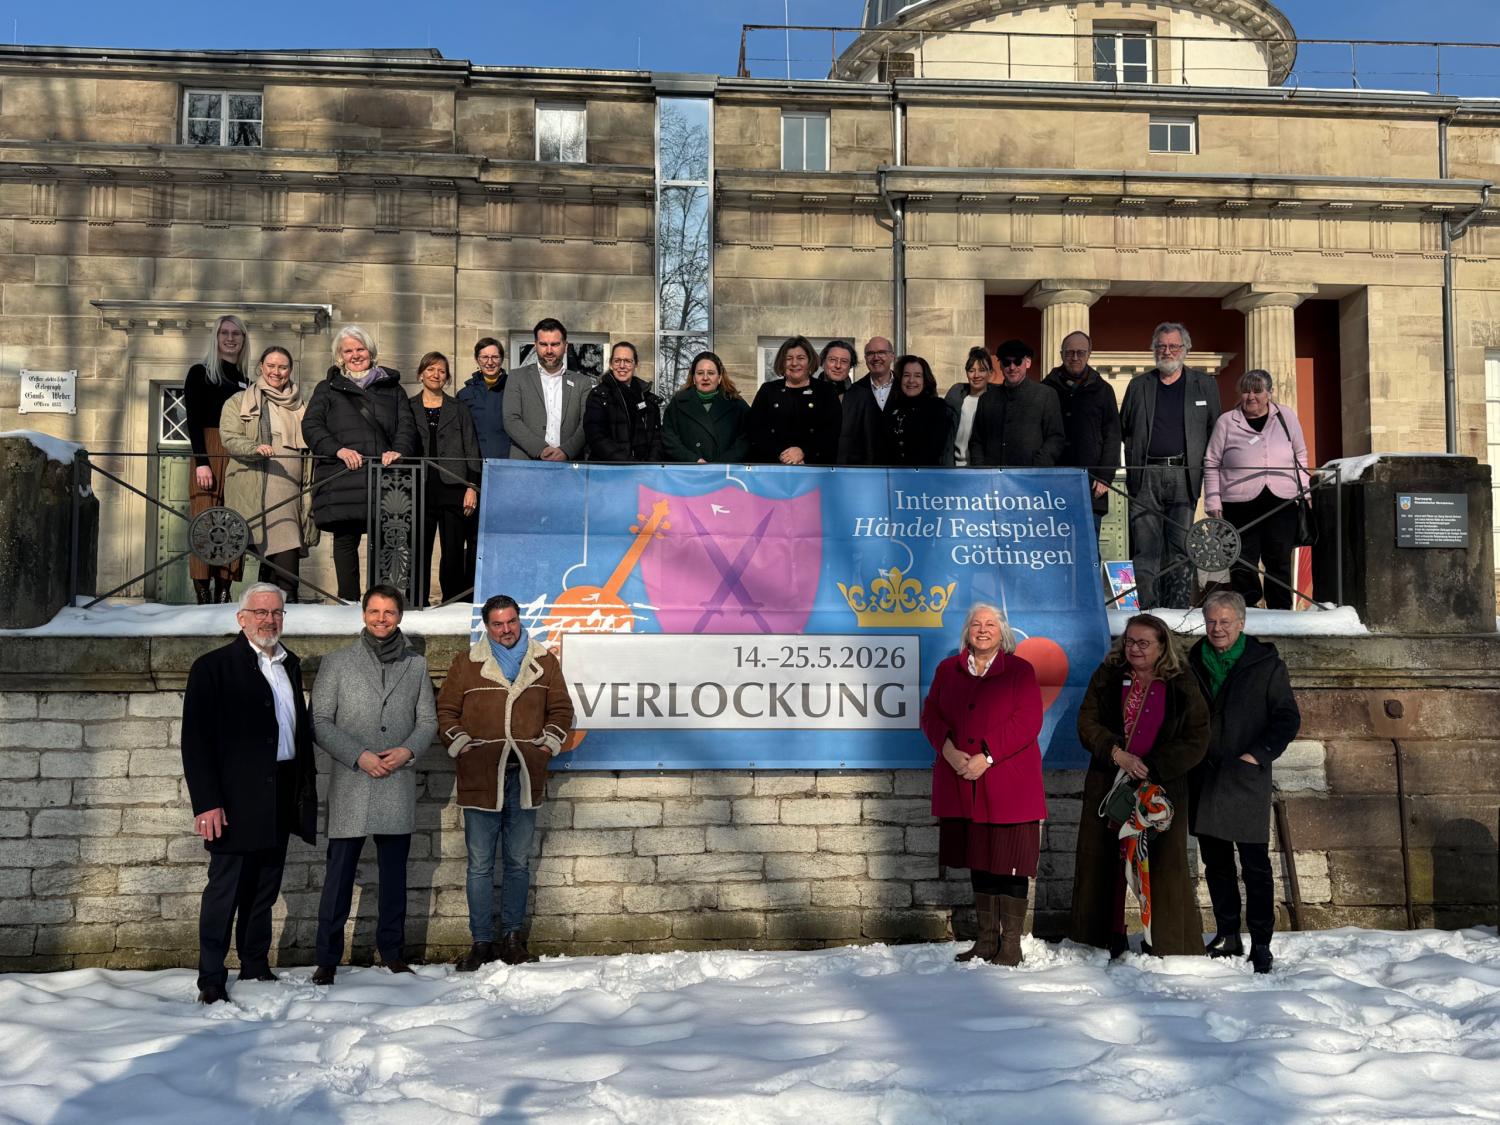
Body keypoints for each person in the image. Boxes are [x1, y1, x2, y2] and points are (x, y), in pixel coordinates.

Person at [181, 583, 317, 1004]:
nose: (269, 620)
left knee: (264, 886)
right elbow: (195, 742)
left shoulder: (289, 664)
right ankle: (211, 976)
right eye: (260, 612)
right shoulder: (213, 667)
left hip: (280, 790)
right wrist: (207, 802)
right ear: (242, 618)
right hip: (234, 798)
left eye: (276, 612)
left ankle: (255, 963)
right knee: (225, 889)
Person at [437, 594, 575, 969]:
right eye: (497, 624)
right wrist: (462, 745)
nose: (506, 629)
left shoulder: (544, 662)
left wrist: (546, 744)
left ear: (519, 620)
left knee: (517, 862)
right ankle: (481, 942)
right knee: (480, 865)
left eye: (511, 621)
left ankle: (514, 940)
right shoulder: (466, 663)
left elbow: (562, 709)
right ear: (487, 626)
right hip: (481, 774)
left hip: (526, 775)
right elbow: (446, 710)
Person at [310, 584, 438, 985]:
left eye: (389, 612)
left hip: (396, 780)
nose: (382, 619)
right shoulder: (336, 663)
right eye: (374, 611)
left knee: (394, 878)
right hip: (352, 780)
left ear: (399, 617)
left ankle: (393, 953)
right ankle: (327, 958)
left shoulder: (416, 666)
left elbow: (428, 721)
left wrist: (407, 750)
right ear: (363, 614)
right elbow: (319, 722)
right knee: (338, 877)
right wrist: (358, 755)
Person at [1069, 613, 1210, 958]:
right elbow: (1087, 722)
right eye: (1130, 641)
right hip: (1110, 783)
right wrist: (1116, 753)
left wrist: (1155, 766)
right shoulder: (1107, 675)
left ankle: (1170, 947)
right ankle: (1100, 941)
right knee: (1103, 862)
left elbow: (1197, 736)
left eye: (1144, 643)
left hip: (1160, 789)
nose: (1134, 648)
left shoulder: (1181, 682)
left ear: (1162, 646)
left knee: (1163, 866)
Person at [921, 604, 1046, 966]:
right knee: (980, 859)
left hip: (1008, 783)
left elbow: (1028, 720)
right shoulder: (948, 670)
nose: (983, 629)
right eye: (976, 624)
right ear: (967, 632)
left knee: (1010, 862)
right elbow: (930, 715)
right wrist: (947, 750)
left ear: (1002, 632)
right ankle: (986, 941)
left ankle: (1011, 945)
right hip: (963, 781)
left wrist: (987, 757)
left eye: (991, 623)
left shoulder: (1020, 671)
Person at [1187, 590, 1301, 973]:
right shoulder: (1191, 662)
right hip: (1205, 776)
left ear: (1241, 623)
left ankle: (1261, 942)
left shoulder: (1266, 664)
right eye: (1211, 622)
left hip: (1246, 778)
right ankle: (1227, 935)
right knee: (1216, 864)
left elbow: (1287, 718)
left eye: (1225, 622)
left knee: (1255, 867)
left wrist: (1258, 754)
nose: (1217, 628)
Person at [301, 325, 420, 601]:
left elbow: (407, 426)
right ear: (340, 356)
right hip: (342, 475)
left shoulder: (393, 388)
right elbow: (311, 425)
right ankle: (349, 603)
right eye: (348, 351)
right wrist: (338, 450)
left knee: (385, 542)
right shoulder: (327, 388)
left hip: (385, 477)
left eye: (360, 349)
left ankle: (382, 606)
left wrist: (399, 451)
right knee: (345, 540)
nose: (355, 355)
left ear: (370, 351)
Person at [1121, 322, 1222, 609]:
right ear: (1154, 349)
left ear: (1185, 349)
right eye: (1161, 346)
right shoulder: (1138, 385)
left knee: (1181, 549)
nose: (1167, 351)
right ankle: (1150, 612)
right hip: (1145, 475)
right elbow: (1124, 427)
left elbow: (1216, 431)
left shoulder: (1205, 385)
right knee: (1146, 551)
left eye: (1173, 346)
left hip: (1184, 475)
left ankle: (1176, 612)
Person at [1204, 369, 1312, 610]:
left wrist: (1305, 491)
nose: (1250, 396)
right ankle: (1247, 610)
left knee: (1279, 559)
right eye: (1245, 391)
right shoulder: (1227, 421)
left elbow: (1300, 454)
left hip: (1282, 500)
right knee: (1243, 560)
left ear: (1269, 393)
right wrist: (1213, 500)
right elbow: (1211, 462)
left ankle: (1280, 611)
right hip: (1238, 503)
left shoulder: (1286, 416)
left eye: (1257, 391)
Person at [219, 346, 318, 604]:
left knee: (281, 542)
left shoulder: (302, 404)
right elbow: (229, 437)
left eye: (283, 367)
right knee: (277, 540)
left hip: (293, 485)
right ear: (261, 367)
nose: (276, 372)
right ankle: (284, 601)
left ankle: (277, 604)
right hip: (256, 479)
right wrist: (253, 448)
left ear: (290, 370)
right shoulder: (239, 401)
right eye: (271, 366)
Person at [184, 315, 251, 603]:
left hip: (237, 452)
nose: (230, 338)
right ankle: (202, 593)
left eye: (236, 333)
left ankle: (225, 591)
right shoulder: (200, 373)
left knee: (234, 521)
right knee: (204, 520)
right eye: (224, 332)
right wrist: (202, 461)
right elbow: (193, 420)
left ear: (244, 340)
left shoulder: (247, 381)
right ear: (216, 337)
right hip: (208, 449)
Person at [409, 351, 481, 606]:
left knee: (453, 551)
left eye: (441, 371)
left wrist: (472, 487)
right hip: (420, 488)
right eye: (430, 369)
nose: (436, 375)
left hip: (454, 487)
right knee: (419, 548)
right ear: (421, 374)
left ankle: (452, 604)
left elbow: (472, 449)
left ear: (447, 377)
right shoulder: (408, 407)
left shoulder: (459, 408)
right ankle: (416, 602)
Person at [1041, 331, 1122, 540]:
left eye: (1080, 352)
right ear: (1061, 354)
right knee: (1053, 546)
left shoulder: (1103, 390)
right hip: (1052, 483)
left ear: (1089, 354)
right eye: (1069, 353)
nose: (1075, 357)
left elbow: (1112, 436)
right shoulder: (1045, 389)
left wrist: (1105, 476)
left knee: (1088, 547)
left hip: (1091, 483)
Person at [748, 336, 843, 466]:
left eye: (800, 358)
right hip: (773, 464)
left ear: (810, 361)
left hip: (814, 467)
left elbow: (832, 428)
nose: (794, 363)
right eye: (789, 358)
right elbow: (755, 427)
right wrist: (783, 455)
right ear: (782, 363)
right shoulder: (768, 390)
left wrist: (803, 451)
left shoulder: (825, 390)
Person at [969, 339, 1065, 467]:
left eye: (1017, 362)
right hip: (992, 475)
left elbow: (1055, 437)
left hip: (1031, 474)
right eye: (1006, 362)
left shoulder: (1046, 395)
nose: (1012, 367)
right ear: (1001, 366)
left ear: (1028, 362)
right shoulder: (986, 400)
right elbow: (977, 441)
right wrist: (981, 468)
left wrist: (1038, 467)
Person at [503, 318, 588, 461]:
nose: (549, 351)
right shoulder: (517, 377)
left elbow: (587, 423)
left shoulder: (582, 382)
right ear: (535, 345)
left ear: (565, 346)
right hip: (526, 462)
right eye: (543, 344)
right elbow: (511, 420)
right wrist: (540, 449)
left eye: (555, 344)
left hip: (569, 464)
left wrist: (566, 451)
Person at [661, 351, 752, 463]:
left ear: (719, 377)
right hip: (688, 470)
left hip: (727, 470)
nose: (705, 378)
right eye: (700, 373)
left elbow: (745, 439)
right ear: (693, 377)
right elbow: (669, 438)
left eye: (711, 373)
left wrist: (721, 464)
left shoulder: (737, 404)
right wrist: (693, 460)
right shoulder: (678, 403)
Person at [583, 341, 665, 461]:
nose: (622, 366)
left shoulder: (648, 400)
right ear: (611, 364)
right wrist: (630, 464)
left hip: (645, 470)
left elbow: (657, 439)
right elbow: (597, 438)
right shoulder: (599, 396)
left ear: (636, 365)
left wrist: (650, 465)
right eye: (617, 361)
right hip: (609, 469)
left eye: (628, 361)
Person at [836, 335, 898, 464]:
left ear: (892, 356)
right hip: (864, 468)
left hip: (901, 468)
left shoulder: (905, 388)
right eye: (870, 354)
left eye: (881, 352)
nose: (876, 358)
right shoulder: (854, 392)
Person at [885, 355, 954, 467]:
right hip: (894, 474)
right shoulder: (892, 407)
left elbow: (935, 447)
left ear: (925, 381)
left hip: (923, 474)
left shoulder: (935, 406)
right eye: (906, 375)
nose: (911, 380)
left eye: (917, 376)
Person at [455, 336, 512, 461]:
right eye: (484, 357)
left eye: (495, 357)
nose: (490, 362)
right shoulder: (464, 394)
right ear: (476, 359)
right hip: (475, 462)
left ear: (502, 359)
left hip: (508, 460)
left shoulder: (514, 389)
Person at [944, 346, 994, 467]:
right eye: (971, 370)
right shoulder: (955, 401)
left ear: (990, 372)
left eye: (982, 370)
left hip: (985, 470)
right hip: (956, 469)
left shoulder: (996, 403)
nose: (976, 375)